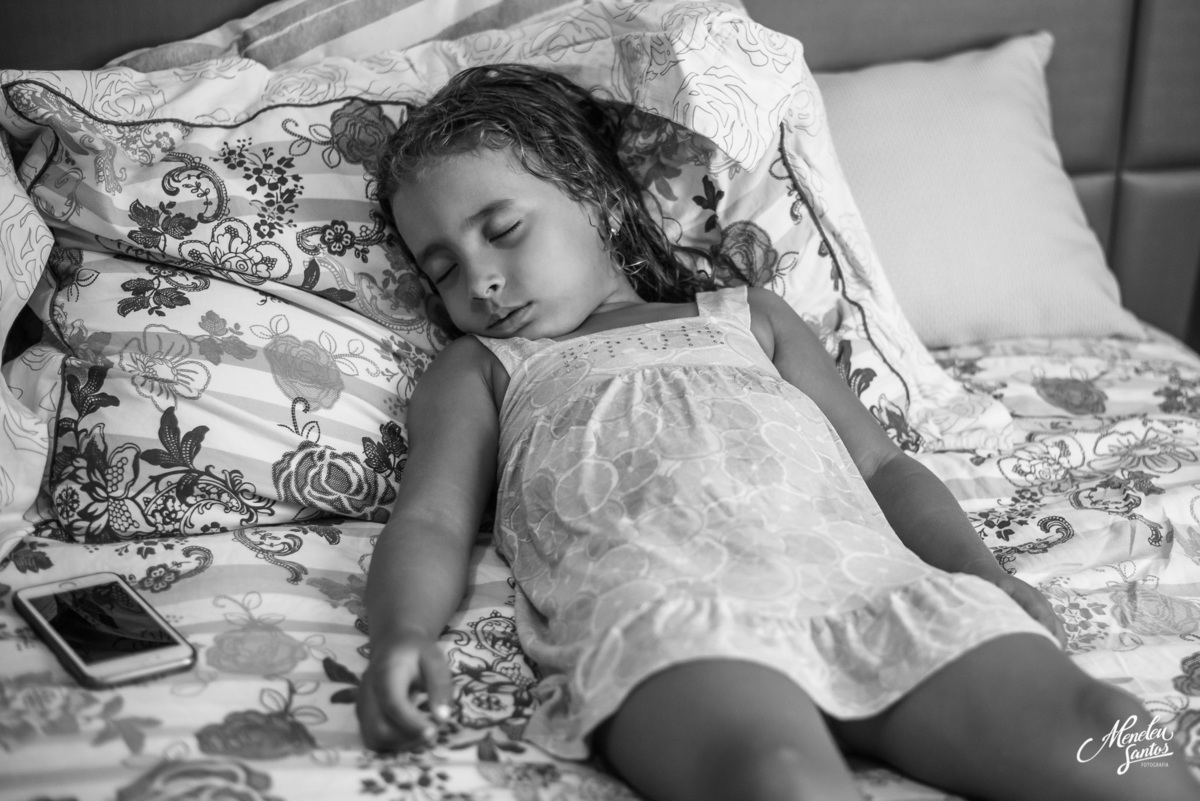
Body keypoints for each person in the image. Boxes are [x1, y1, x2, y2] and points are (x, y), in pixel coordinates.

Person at [358, 64, 1198, 801]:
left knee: (1122, 739)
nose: (482, 279)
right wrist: (401, 637)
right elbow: (429, 520)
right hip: (668, 609)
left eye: (501, 230)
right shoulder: (484, 366)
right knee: (777, 777)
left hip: (869, 588)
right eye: (442, 268)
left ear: (595, 196)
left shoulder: (744, 315)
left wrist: (985, 577)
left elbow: (882, 465)